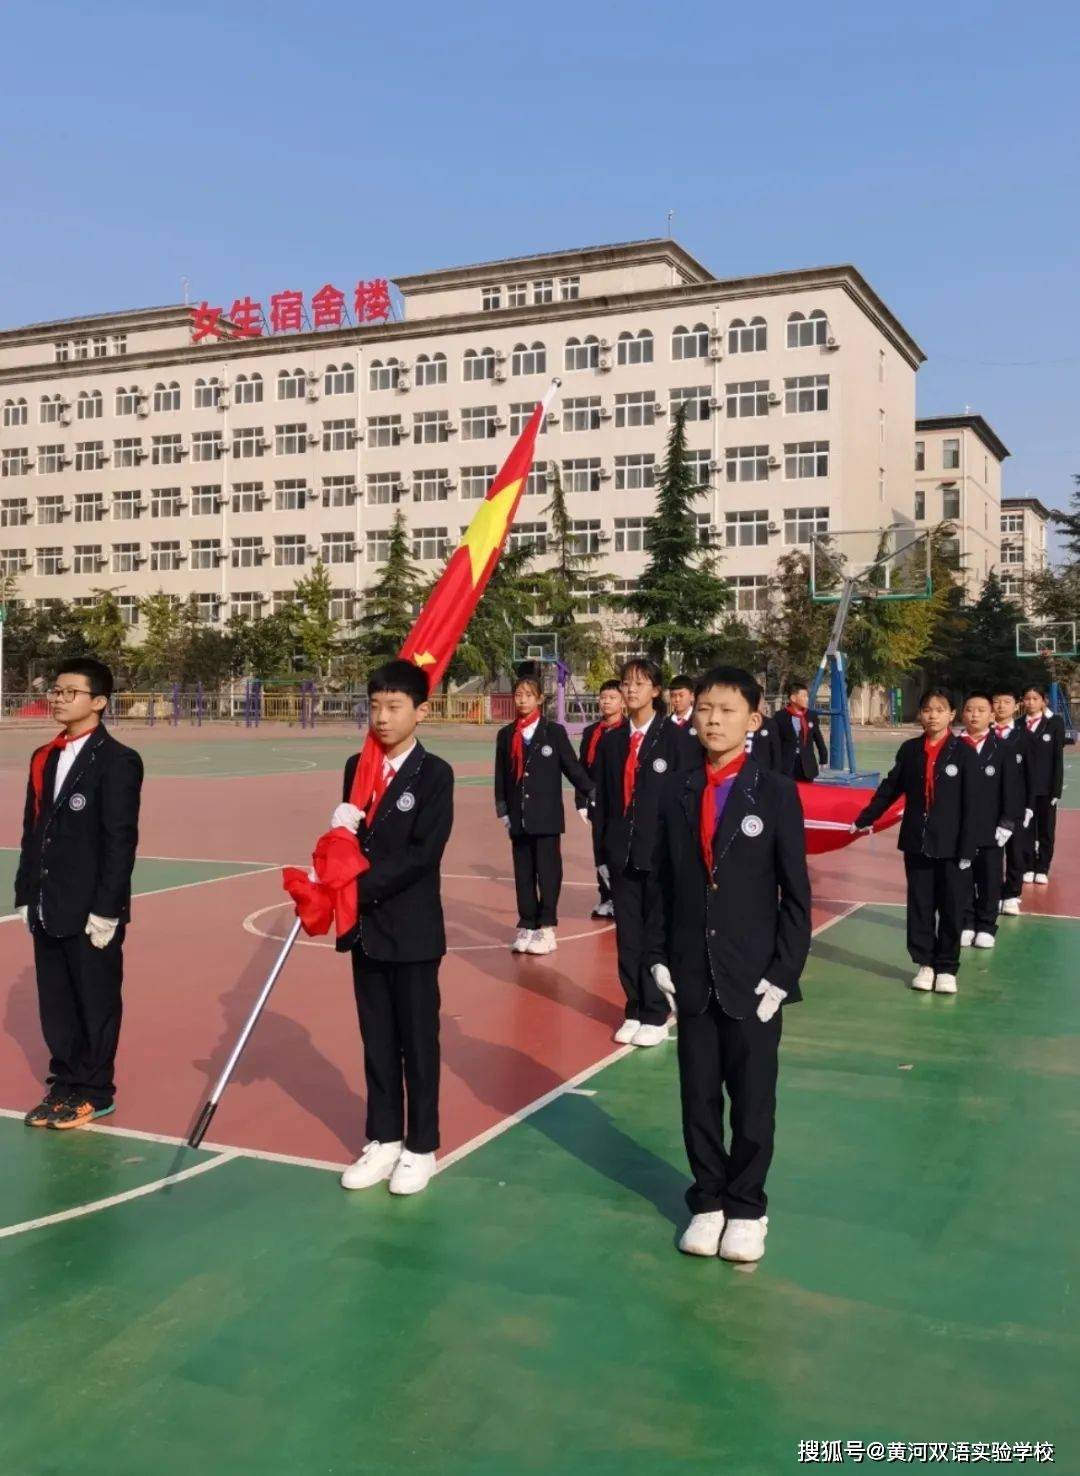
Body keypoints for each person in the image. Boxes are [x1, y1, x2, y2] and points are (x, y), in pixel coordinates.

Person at [646, 665, 810, 1263]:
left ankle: (747, 1207)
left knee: (753, 1099)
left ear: (753, 721)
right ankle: (708, 1201)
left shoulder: (775, 792)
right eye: (705, 709)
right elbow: (662, 882)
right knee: (697, 1096)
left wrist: (783, 974)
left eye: (727, 710)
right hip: (692, 973)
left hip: (754, 977)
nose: (712, 720)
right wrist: (658, 956)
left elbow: (795, 894)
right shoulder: (678, 790)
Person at [335, 660, 454, 1197]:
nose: (381, 718)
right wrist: (332, 853)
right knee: (376, 1037)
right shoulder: (355, 768)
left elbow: (422, 856)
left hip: (412, 930)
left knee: (417, 1040)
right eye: (375, 706)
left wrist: (355, 887)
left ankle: (420, 1144)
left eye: (394, 707)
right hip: (365, 930)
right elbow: (348, 845)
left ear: (420, 712)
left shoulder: (435, 775)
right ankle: (383, 1137)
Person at [15, 659, 143, 1129]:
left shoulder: (118, 760)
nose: (58, 698)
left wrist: (107, 909)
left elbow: (120, 841)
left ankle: (95, 1089)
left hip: (91, 909)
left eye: (70, 692)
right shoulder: (44, 756)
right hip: (50, 903)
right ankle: (64, 1083)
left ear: (99, 702)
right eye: (55, 690)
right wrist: (26, 892)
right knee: (57, 1002)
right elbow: (33, 830)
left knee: (95, 1001)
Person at [592, 657, 699, 1047]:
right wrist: (601, 856)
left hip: (660, 855)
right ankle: (634, 1006)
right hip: (621, 855)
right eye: (625, 683)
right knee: (628, 936)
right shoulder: (612, 741)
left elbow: (687, 802)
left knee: (656, 933)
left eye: (640, 683)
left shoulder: (677, 741)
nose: (630, 689)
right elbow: (602, 801)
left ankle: (657, 1010)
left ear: (657, 690)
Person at [852, 690, 978, 995]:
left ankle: (947, 967)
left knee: (951, 907)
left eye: (939, 709)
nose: (932, 715)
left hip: (952, 847)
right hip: (916, 843)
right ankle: (925, 963)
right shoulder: (910, 750)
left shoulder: (963, 752)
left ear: (952, 715)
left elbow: (974, 805)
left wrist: (968, 847)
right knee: (920, 906)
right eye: (926, 709)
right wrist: (866, 816)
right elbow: (890, 787)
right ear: (920, 715)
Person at [494, 668, 593, 955]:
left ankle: (547, 926)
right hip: (519, 816)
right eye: (518, 695)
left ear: (540, 699)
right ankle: (527, 923)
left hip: (547, 817)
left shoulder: (553, 732)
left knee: (548, 872)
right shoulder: (505, 735)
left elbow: (572, 769)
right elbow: (501, 775)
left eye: (528, 695)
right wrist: (503, 809)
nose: (522, 700)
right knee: (523, 873)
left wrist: (594, 793)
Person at [958, 692, 1023, 949]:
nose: (974, 715)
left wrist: (1008, 822)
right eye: (970, 709)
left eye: (981, 710)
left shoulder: (1003, 748)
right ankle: (965, 921)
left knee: (989, 877)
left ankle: (986, 925)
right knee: (961, 877)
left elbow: (1012, 789)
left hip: (991, 827)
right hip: (959, 827)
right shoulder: (953, 747)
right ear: (962, 713)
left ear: (991, 716)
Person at [576, 679, 626, 918]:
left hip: (622, 803)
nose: (606, 702)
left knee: (619, 851)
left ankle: (623, 898)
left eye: (612, 697)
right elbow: (581, 770)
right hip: (597, 802)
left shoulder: (628, 732)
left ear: (623, 702)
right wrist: (581, 801)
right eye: (603, 697)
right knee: (600, 850)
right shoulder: (591, 732)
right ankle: (606, 897)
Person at [1020, 683, 1065, 885]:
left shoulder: (1055, 722)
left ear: (1043, 701)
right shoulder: (1019, 724)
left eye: (1034, 698)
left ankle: (1042, 867)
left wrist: (1056, 788)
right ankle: (1028, 866)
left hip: (1046, 788)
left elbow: (1057, 758)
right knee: (1026, 829)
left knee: (1046, 829)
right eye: (1027, 698)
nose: (1030, 702)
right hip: (1024, 789)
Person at [990, 688, 1030, 916]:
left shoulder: (1024, 736)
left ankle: (1012, 894)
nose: (1001, 706)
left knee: (1016, 851)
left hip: (1016, 804)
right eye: (996, 701)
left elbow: (1032, 774)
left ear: (1016, 706)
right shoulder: (984, 734)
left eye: (1006, 702)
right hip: (988, 804)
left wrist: (1030, 805)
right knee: (991, 853)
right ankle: (992, 893)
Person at [778, 678, 828, 782]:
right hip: (787, 765)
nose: (807, 699)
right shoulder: (780, 716)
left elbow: (818, 738)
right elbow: (774, 741)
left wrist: (823, 757)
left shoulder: (811, 715)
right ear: (793, 698)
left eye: (807, 696)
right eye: (804, 696)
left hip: (806, 765)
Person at [748, 693, 782, 771]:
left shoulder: (769, 724)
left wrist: (775, 775)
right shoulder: (738, 722)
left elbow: (776, 752)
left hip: (763, 772)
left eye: (761, 702)